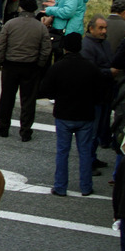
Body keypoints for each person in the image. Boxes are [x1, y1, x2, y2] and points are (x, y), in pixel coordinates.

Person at [38, 32, 104, 196]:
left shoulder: (58, 67)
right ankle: (86, 186)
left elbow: (45, 90)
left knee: (62, 152)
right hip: (85, 115)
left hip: (64, 114)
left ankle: (60, 187)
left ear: (65, 48)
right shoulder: (91, 68)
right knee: (85, 152)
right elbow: (101, 92)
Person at [0, 0, 52, 141]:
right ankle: (26, 131)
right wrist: (39, 63)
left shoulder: (10, 24)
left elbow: (0, 44)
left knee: (7, 97)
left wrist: (2, 60)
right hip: (31, 66)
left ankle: (3, 127)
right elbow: (46, 49)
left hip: (11, 65)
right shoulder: (40, 27)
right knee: (28, 100)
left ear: (20, 8)